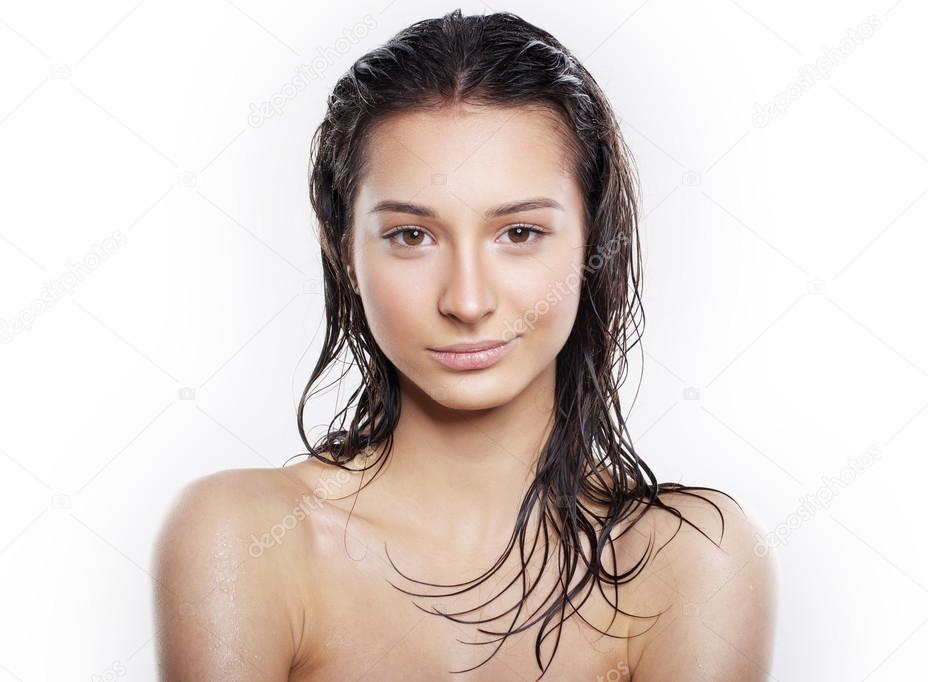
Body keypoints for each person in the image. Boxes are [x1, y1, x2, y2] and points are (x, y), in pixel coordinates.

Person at [152, 9, 777, 680]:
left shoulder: (688, 560)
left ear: (591, 243)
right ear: (347, 258)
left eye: (519, 233)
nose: (467, 300)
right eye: (411, 236)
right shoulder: (246, 538)